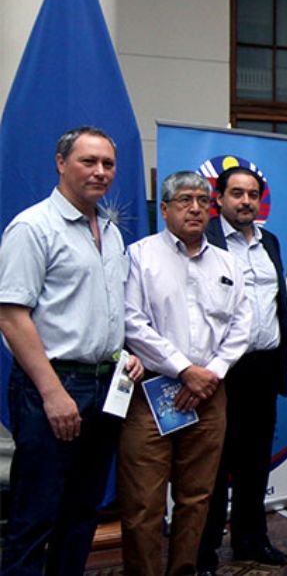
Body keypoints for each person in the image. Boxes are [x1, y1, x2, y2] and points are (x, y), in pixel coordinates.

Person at [0, 126, 144, 575]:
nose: (100, 172)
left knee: (82, 511)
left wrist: (126, 351)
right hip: (54, 387)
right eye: (89, 161)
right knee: (35, 515)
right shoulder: (32, 227)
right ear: (61, 163)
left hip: (106, 387)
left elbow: (107, 307)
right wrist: (52, 393)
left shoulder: (111, 231)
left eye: (108, 164)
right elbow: (10, 314)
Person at [119, 171, 251, 576]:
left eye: (201, 201)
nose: (195, 209)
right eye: (184, 201)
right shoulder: (140, 255)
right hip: (150, 394)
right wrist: (183, 369)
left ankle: (184, 570)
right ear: (164, 209)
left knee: (198, 497)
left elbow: (242, 324)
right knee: (144, 502)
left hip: (211, 395)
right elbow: (132, 322)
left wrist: (209, 373)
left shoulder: (227, 262)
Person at [198, 167, 287, 573]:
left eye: (252, 194)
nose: (245, 202)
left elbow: (276, 303)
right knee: (214, 465)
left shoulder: (269, 242)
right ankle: (204, 552)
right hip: (221, 371)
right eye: (237, 194)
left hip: (264, 368)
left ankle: (251, 540)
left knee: (256, 461)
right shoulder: (205, 239)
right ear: (218, 198)